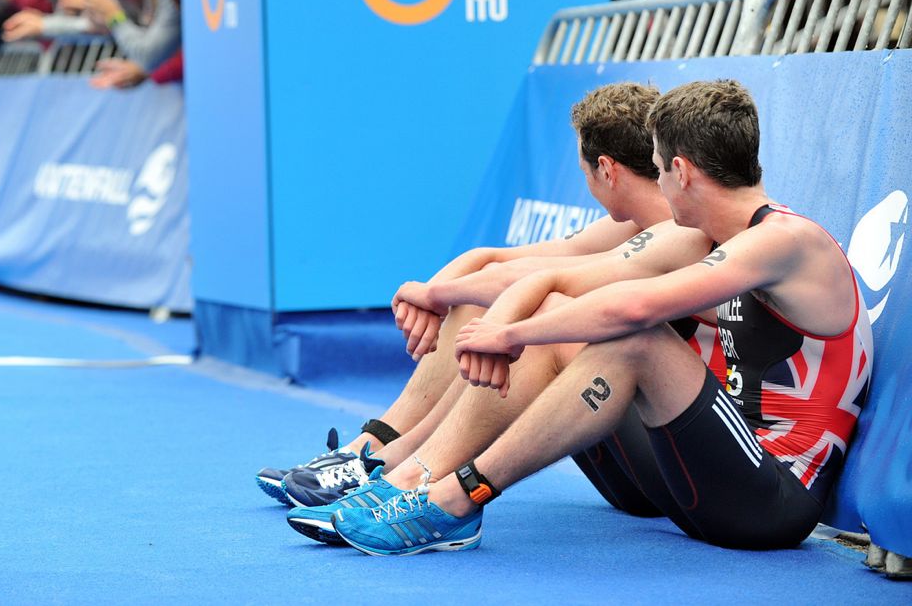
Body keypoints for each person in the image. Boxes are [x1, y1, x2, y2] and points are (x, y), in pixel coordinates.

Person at [330, 80, 872, 555]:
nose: (657, 187)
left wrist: (510, 333)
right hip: (701, 476)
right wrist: (502, 323)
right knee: (568, 323)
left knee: (636, 338)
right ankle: (406, 476)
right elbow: (559, 280)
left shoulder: (785, 240)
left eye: (658, 171)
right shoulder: (721, 240)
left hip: (772, 499)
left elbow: (635, 307)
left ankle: (453, 497)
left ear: (680, 172)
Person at [264, 83, 688, 511]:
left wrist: (431, 293)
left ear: (606, 170)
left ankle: (407, 470)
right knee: (486, 299)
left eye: (582, 174)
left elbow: (540, 280)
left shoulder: (680, 231)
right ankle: (379, 447)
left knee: (535, 315)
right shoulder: (631, 223)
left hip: (672, 461)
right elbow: (492, 260)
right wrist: (436, 296)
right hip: (629, 440)